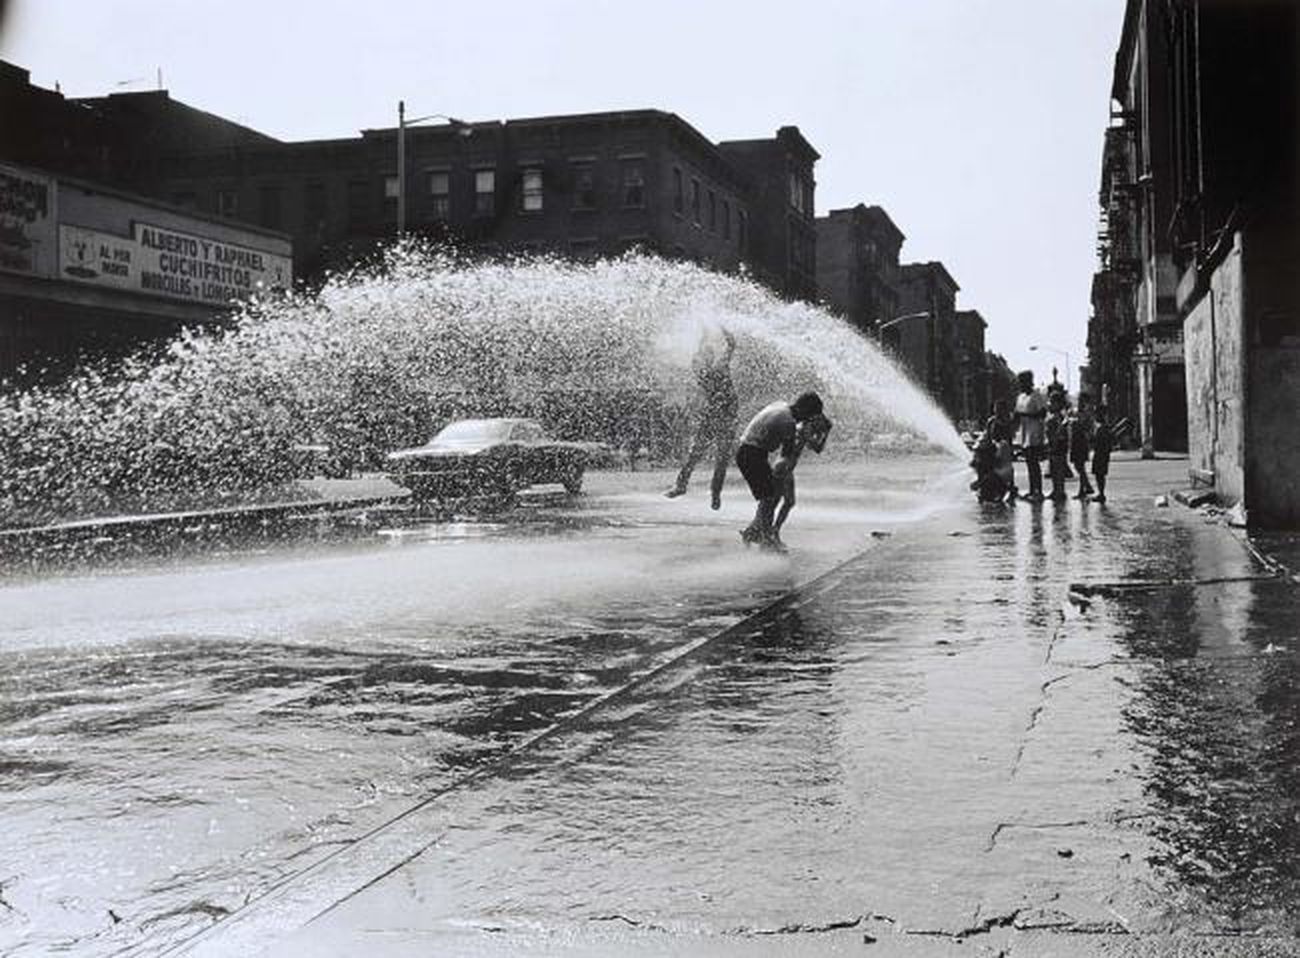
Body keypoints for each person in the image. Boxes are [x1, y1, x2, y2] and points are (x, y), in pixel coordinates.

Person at [736, 391, 825, 550]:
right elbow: (786, 454)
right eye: (808, 416)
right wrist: (782, 474)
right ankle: (765, 538)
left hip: (749, 452)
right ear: (803, 410)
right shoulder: (788, 422)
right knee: (769, 498)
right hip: (752, 455)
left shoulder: (780, 405)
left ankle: (758, 534)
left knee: (768, 498)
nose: (805, 421)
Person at [665, 328, 738, 510]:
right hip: (712, 418)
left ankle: (715, 493)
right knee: (695, 453)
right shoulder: (701, 371)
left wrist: (722, 328)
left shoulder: (719, 366)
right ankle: (681, 486)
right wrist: (704, 335)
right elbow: (722, 347)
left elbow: (731, 345)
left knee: (720, 459)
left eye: (706, 356)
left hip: (725, 419)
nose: (701, 359)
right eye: (702, 356)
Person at [771, 412, 832, 548]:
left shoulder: (803, 427)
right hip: (784, 467)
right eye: (821, 423)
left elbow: (815, 447)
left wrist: (823, 433)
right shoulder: (804, 428)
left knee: (776, 502)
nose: (821, 426)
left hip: (783, 467)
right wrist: (826, 433)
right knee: (787, 501)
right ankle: (771, 532)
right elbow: (817, 448)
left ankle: (761, 530)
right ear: (815, 419)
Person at [1013, 370, 1047, 501]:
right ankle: (1032, 490)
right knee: (1029, 463)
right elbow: (1016, 415)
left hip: (1034, 433)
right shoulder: (1020, 397)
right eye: (1020, 382)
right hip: (1023, 433)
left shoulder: (1036, 395)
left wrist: (1026, 415)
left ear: (1029, 381)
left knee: (1034, 463)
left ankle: (1038, 491)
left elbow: (1042, 413)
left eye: (1022, 381)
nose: (1021, 384)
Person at [985, 398, 1017, 499]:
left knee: (1008, 469)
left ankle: (1011, 488)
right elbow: (988, 435)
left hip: (1005, 449)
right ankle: (991, 488)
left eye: (999, 408)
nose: (997, 410)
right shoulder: (991, 421)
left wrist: (1009, 448)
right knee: (993, 469)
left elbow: (1010, 435)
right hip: (993, 449)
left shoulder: (1008, 422)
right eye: (995, 408)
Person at [1067, 392, 1094, 500]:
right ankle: (1087, 486)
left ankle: (1083, 489)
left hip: (1081, 441)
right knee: (1077, 466)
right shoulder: (1074, 412)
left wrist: (1077, 422)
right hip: (1074, 441)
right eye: (1079, 400)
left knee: (1080, 466)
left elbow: (1087, 427)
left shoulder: (1087, 413)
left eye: (1082, 400)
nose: (1080, 402)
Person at [1045, 390, 1070, 502]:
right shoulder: (1054, 416)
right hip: (1053, 445)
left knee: (1058, 469)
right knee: (1054, 469)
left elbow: (1060, 432)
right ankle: (1056, 490)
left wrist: (1055, 441)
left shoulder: (1060, 417)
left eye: (1052, 401)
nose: (1049, 403)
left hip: (1058, 445)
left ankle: (1060, 490)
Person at [1092, 406, 1114, 503]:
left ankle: (1101, 493)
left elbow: (1100, 442)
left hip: (1100, 453)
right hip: (1102, 453)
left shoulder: (1102, 428)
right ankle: (1101, 493)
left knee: (1099, 474)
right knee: (1099, 474)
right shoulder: (1103, 427)